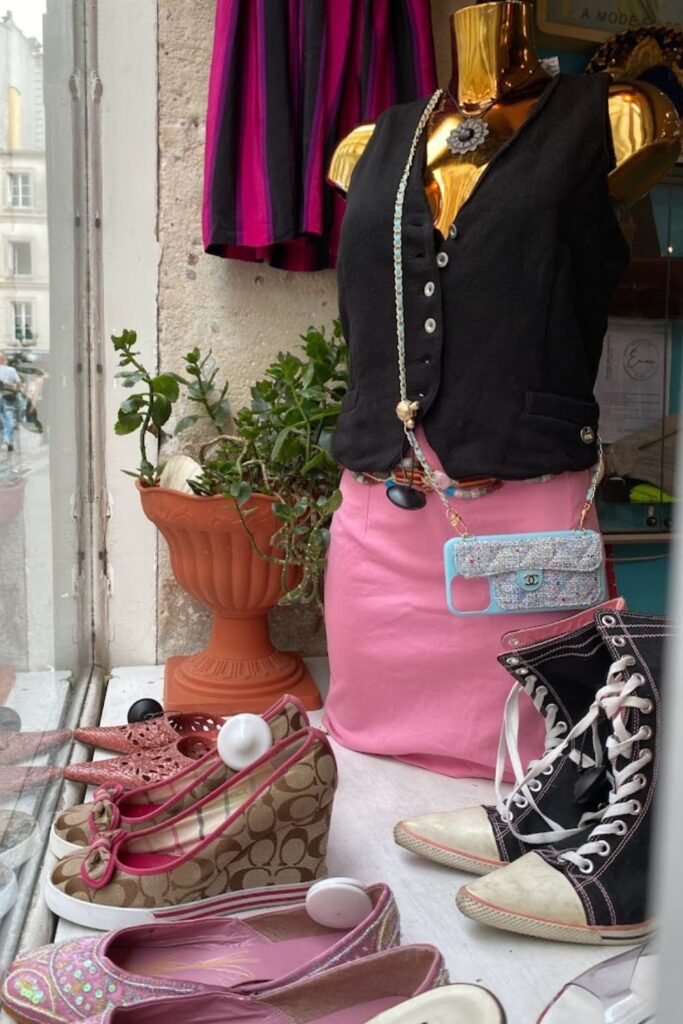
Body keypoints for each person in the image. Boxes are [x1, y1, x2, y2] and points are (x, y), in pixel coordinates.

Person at [0, 352, 22, 452]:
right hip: (8, 397)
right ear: (4, 359)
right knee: (9, 419)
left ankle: (4, 438)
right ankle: (9, 441)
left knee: (2, 420)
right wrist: (15, 392)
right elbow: (18, 382)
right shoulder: (11, 370)